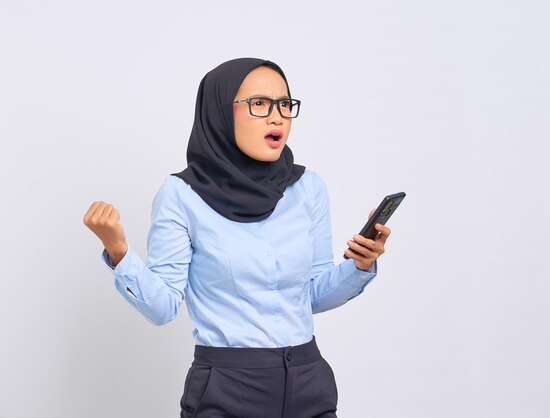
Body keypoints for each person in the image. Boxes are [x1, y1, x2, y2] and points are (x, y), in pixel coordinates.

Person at [83, 57, 391, 418]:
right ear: (219, 113)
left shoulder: (307, 188)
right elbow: (163, 306)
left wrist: (360, 264)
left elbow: (312, 294)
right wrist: (119, 251)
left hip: (310, 380)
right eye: (259, 104)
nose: (277, 117)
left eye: (284, 104)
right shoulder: (182, 195)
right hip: (227, 388)